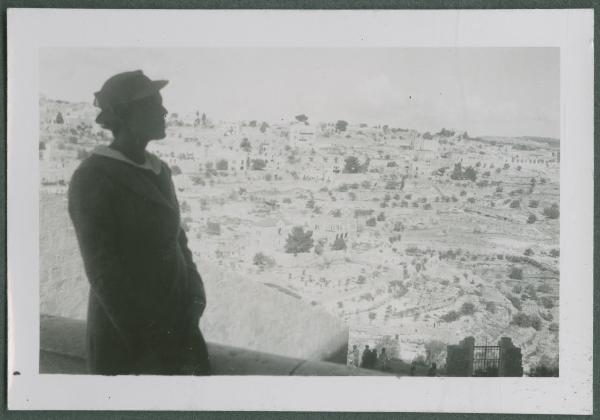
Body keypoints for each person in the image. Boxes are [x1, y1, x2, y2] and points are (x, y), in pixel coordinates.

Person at [68, 70, 210, 375]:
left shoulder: (161, 171)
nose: (164, 111)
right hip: (128, 342)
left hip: (179, 326)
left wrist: (195, 295)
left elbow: (177, 241)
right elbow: (103, 271)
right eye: (153, 105)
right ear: (125, 114)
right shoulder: (93, 177)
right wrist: (149, 340)